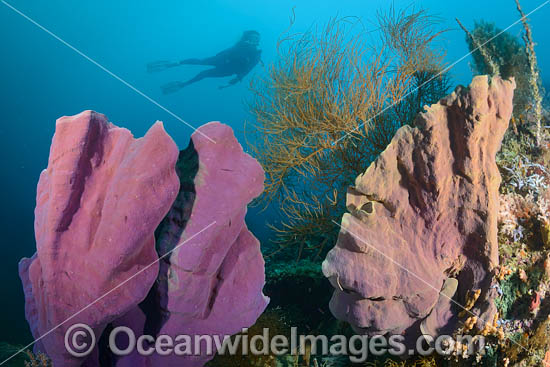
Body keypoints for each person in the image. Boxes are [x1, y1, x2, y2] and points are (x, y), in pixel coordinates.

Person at [148, 30, 262, 93]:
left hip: (229, 69)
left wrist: (231, 82)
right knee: (200, 61)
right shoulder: (241, 44)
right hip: (221, 60)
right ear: (248, 38)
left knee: (204, 74)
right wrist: (218, 56)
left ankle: (184, 83)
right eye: (253, 37)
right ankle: (176, 63)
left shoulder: (256, 53)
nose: (255, 40)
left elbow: (248, 68)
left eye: (257, 38)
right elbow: (228, 51)